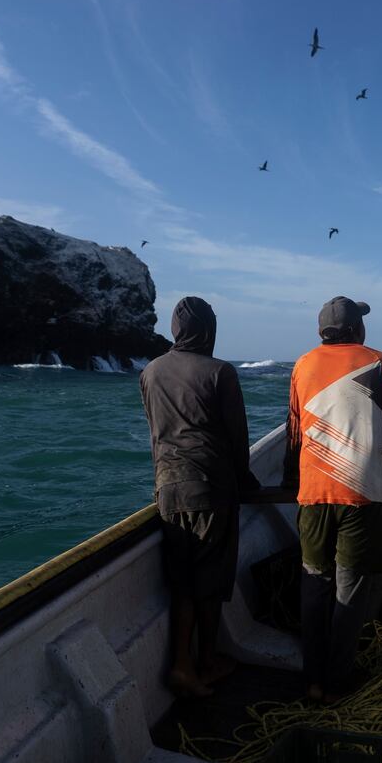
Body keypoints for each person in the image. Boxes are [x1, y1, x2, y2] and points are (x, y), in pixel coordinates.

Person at [284, 297, 382, 702]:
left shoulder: (301, 366)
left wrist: (290, 486)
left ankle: (311, 681)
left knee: (314, 585)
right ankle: (337, 683)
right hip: (362, 496)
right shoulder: (381, 364)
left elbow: (294, 434)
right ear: (356, 330)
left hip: (313, 495)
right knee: (349, 590)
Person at [139, 296, 258, 698]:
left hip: (167, 488)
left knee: (183, 583)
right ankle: (201, 662)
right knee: (209, 582)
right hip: (210, 488)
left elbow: (157, 432)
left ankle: (181, 664)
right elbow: (237, 440)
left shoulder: (150, 373)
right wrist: (247, 482)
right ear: (209, 331)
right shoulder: (221, 373)